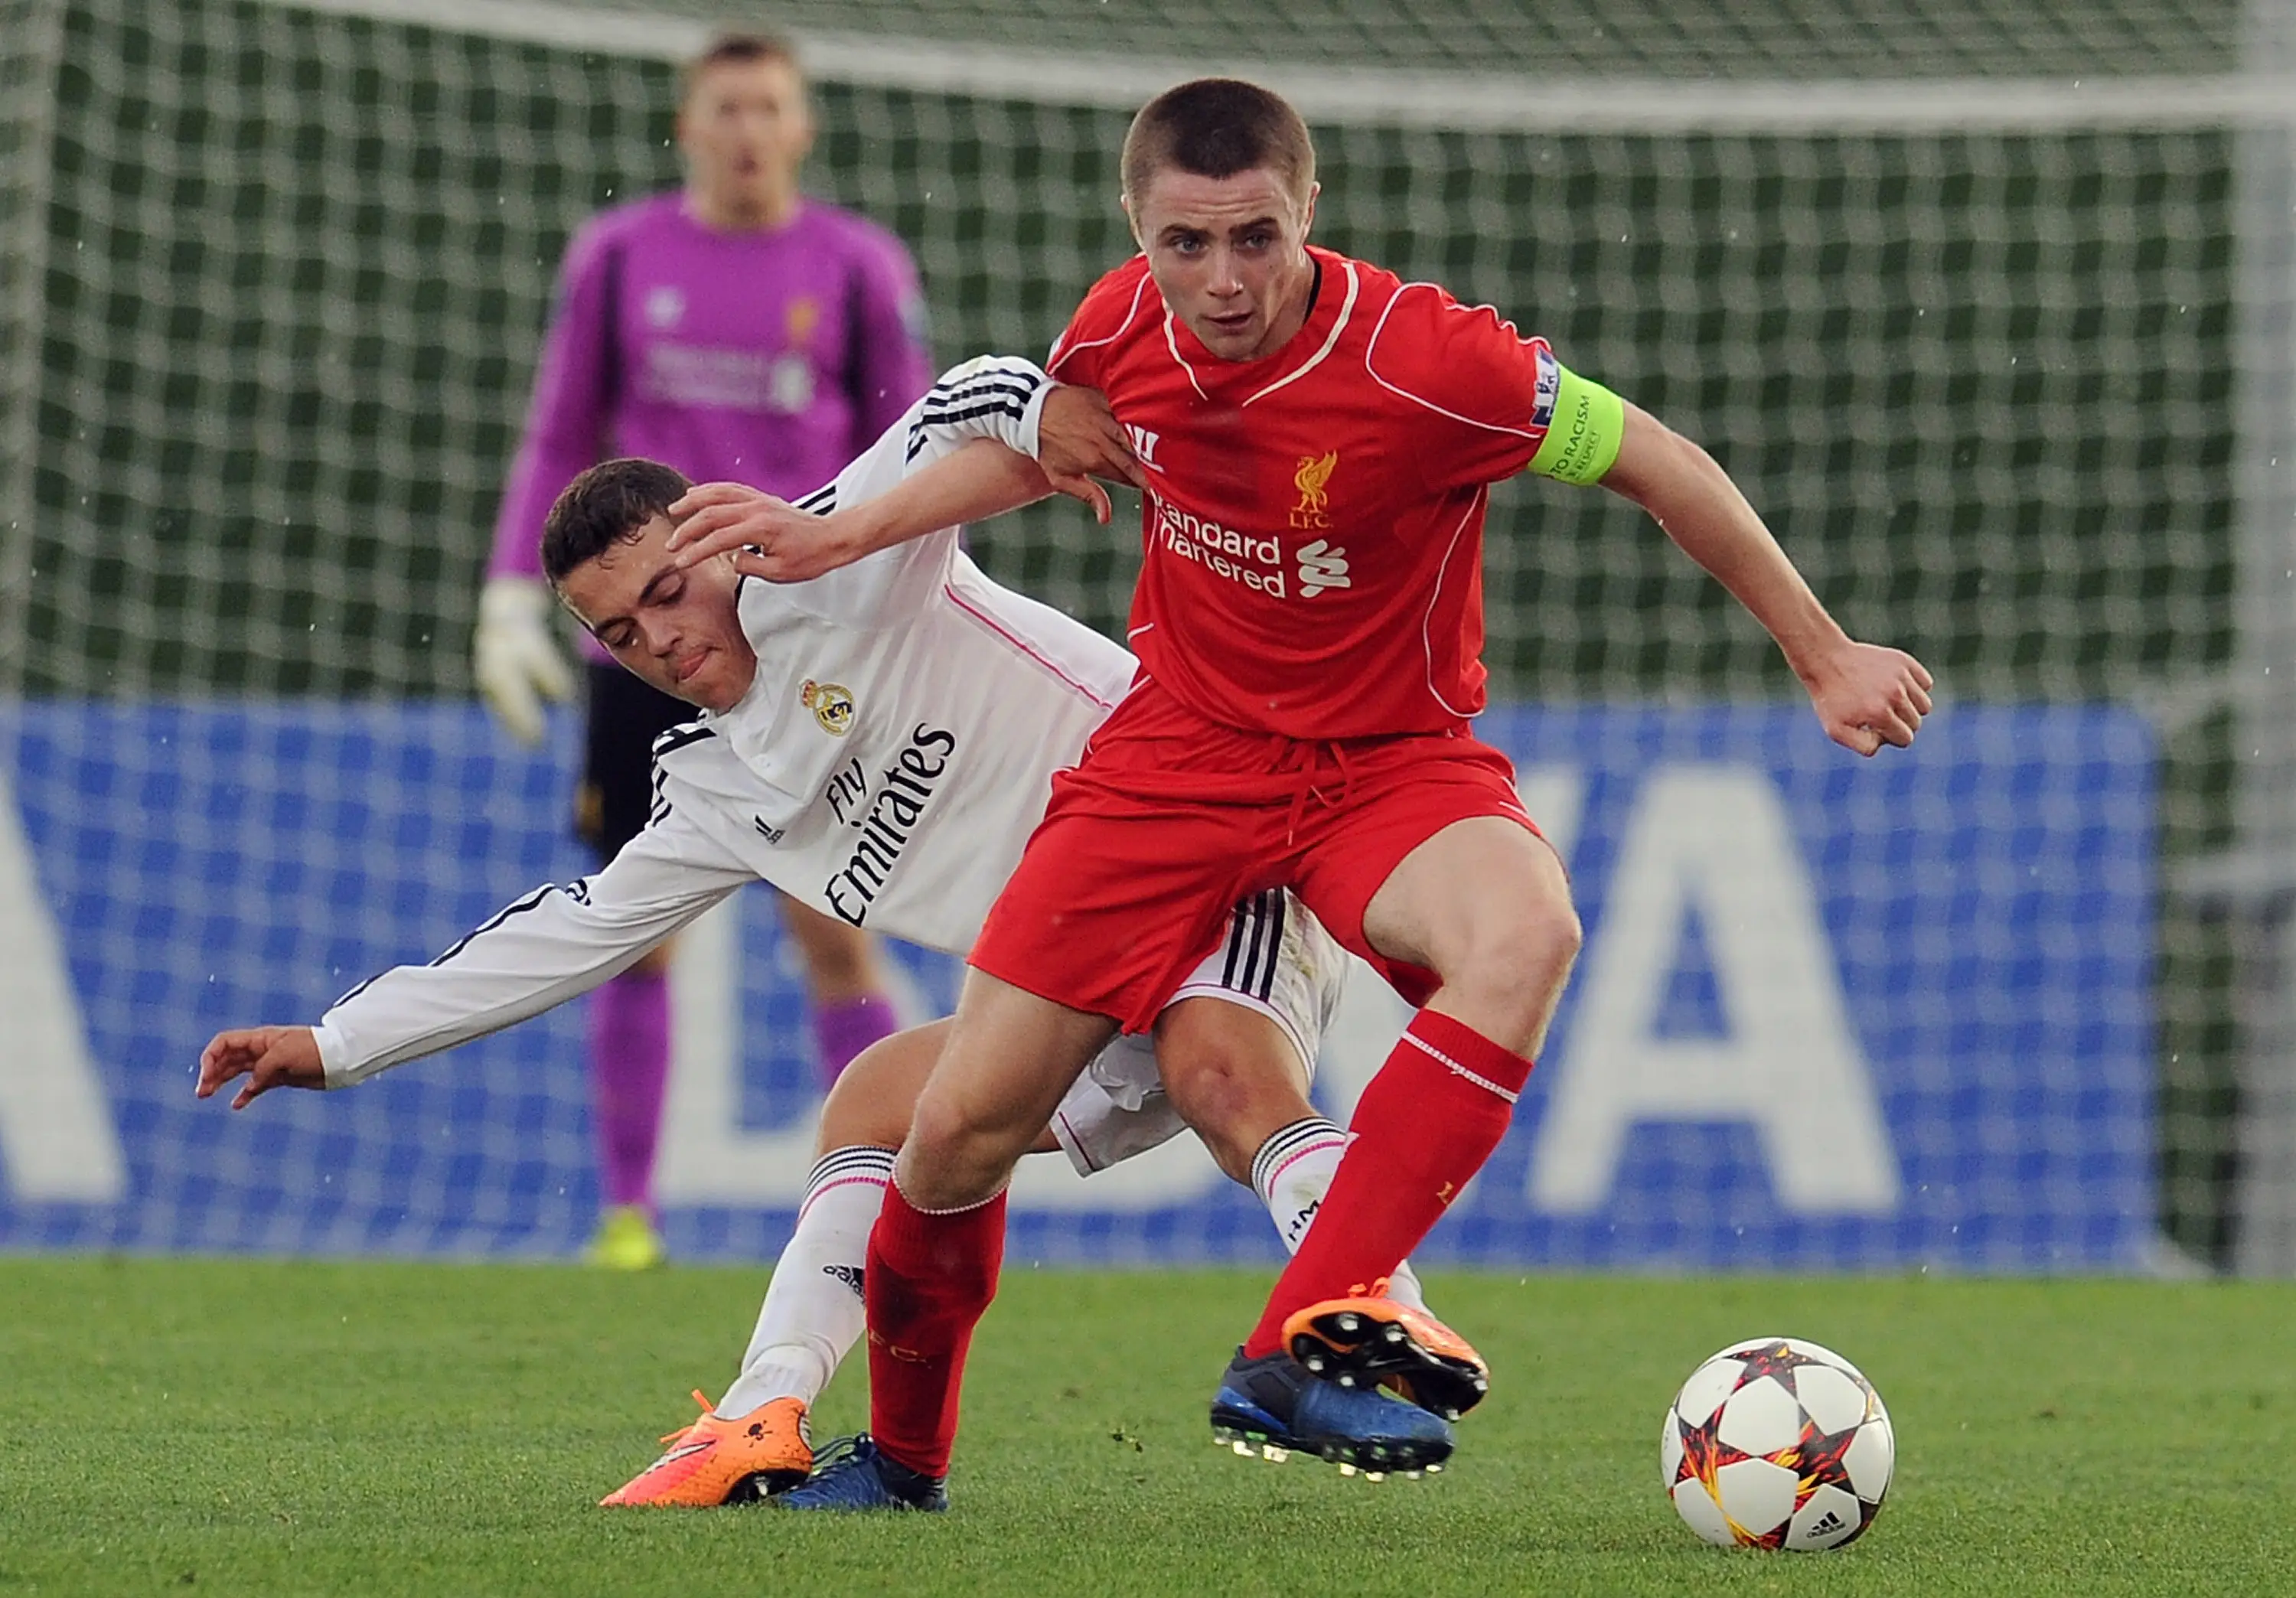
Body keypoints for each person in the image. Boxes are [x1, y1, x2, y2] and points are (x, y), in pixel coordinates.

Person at [664, 77, 1935, 1510]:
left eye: (1255, 238)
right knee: (951, 1133)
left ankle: (1304, 1334)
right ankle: (899, 1468)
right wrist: (835, 539)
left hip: (1387, 762)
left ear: (1309, 212)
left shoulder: (1429, 361)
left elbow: (1663, 464)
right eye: (1185, 244)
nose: (1221, 281)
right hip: (1172, 763)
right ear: (1137, 231)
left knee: (1528, 934)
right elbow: (1031, 451)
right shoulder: (1117, 328)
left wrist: (1822, 655)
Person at [197, 358, 1447, 1509]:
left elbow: (958, 401)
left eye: (668, 593)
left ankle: (1372, 1317)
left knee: (1221, 1074)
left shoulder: (838, 560)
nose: (663, 642)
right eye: (621, 636)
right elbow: (567, 934)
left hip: (1206, 851)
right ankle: (773, 1421)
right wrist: (337, 1041)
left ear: (719, 541)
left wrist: (1038, 415)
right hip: (1063, 985)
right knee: (885, 1111)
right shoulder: (716, 788)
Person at [472, 31, 933, 1270]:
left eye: (767, 108)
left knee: (834, 922)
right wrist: (512, 593)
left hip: (803, 647)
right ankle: (629, 1215)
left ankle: (887, 1193)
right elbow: (561, 425)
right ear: (691, 125)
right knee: (634, 922)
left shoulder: (854, 269)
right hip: (648, 660)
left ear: (801, 128)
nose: (745, 129)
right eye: (725, 107)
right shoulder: (622, 260)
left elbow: (917, 445)